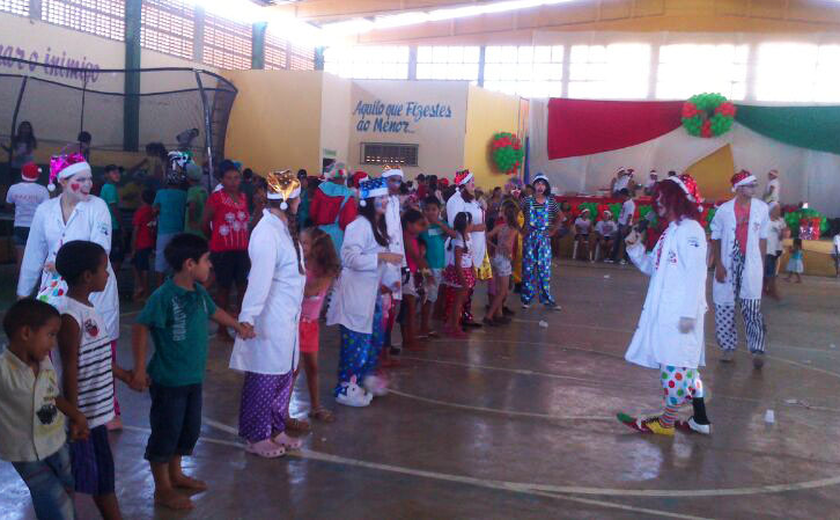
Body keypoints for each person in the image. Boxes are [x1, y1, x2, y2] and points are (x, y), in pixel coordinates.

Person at [129, 233, 253, 509]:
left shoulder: (198, 294)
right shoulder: (164, 296)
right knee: (166, 431)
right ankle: (162, 488)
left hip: (192, 378)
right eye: (206, 260)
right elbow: (140, 326)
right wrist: (138, 368)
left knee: (188, 430)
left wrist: (237, 326)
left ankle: (176, 474)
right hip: (168, 380)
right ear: (189, 264)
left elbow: (215, 311)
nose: (209, 266)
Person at [18, 154, 122, 427]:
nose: (88, 184)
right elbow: (34, 250)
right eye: (80, 180)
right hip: (53, 289)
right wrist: (23, 292)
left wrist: (64, 263)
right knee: (49, 352)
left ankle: (109, 410)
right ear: (63, 181)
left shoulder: (97, 207)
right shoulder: (45, 210)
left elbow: (101, 247)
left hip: (91, 286)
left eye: (89, 178)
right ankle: (52, 407)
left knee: (96, 349)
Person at [617, 174, 712, 436]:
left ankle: (666, 424)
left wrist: (687, 315)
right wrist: (635, 249)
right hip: (666, 312)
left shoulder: (691, 231)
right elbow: (653, 267)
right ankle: (700, 420)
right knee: (685, 368)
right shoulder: (672, 230)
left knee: (674, 365)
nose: (656, 202)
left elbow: (696, 276)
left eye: (662, 197)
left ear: (676, 199)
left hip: (680, 315)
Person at [229, 170, 306, 458]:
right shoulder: (266, 232)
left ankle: (275, 428)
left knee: (283, 374)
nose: (301, 201)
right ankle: (255, 435)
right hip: (269, 317)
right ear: (287, 201)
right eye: (298, 197)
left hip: (286, 317)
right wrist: (247, 319)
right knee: (264, 375)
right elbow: (259, 281)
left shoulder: (283, 228)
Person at [55, 240, 130, 519]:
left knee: (102, 476)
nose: (108, 275)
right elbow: (71, 366)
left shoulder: (89, 308)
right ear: (88, 276)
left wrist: (124, 375)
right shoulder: (70, 315)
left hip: (97, 415)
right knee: (77, 478)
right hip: (83, 416)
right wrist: (75, 415)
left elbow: (98, 356)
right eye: (104, 269)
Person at [0, 299, 88, 520]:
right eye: (51, 334)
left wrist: (76, 415)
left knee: (67, 488)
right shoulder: (3, 371)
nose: (54, 343)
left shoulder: (44, 363)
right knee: (50, 495)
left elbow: (53, 396)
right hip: (25, 453)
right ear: (26, 333)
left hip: (56, 442)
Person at [326, 177, 403, 406]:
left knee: (374, 339)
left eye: (386, 198)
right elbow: (349, 258)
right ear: (369, 202)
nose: (386, 202)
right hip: (356, 294)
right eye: (381, 198)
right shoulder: (358, 225)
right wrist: (381, 257)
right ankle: (346, 386)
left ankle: (364, 380)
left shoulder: (378, 226)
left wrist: (391, 280)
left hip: (372, 296)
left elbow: (383, 260)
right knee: (355, 341)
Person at [710, 170, 770, 368]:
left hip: (751, 264)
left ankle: (757, 349)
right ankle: (727, 346)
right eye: (750, 185)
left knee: (752, 308)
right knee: (724, 306)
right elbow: (716, 237)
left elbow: (763, 239)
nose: (754, 189)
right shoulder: (724, 210)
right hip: (728, 263)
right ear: (739, 188)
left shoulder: (762, 209)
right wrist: (718, 264)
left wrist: (761, 267)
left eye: (755, 185)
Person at [202, 160, 250, 341]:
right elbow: (204, 223)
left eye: (236, 178)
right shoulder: (216, 197)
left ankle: (240, 324)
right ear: (222, 180)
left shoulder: (244, 198)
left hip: (242, 250)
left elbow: (246, 224)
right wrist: (215, 240)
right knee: (223, 289)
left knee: (242, 287)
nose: (233, 181)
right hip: (222, 250)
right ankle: (222, 329)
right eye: (229, 178)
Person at [296, 227, 340, 424]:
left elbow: (310, 290)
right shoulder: (299, 265)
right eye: (300, 242)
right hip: (295, 323)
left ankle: (315, 407)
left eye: (305, 243)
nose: (301, 246)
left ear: (318, 247)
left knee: (313, 367)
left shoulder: (325, 272)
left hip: (310, 324)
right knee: (293, 370)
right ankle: (283, 413)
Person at [445, 169, 486, 326]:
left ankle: (464, 315)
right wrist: (478, 228)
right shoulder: (455, 201)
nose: (473, 184)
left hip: (472, 248)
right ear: (462, 185)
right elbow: (456, 225)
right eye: (470, 182)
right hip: (461, 250)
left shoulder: (471, 200)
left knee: (469, 285)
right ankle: (454, 319)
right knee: (459, 287)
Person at [520, 174, 562, 310]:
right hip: (529, 239)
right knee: (528, 269)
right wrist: (521, 231)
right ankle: (526, 299)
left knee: (544, 270)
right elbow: (516, 215)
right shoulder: (527, 201)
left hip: (544, 240)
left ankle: (546, 299)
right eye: (538, 184)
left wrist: (552, 231)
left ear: (546, 187)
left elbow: (561, 217)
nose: (540, 186)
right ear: (534, 186)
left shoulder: (551, 202)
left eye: (543, 184)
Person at [419, 196, 456, 337]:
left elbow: (453, 234)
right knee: (427, 297)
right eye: (427, 209)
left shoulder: (441, 224)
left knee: (432, 297)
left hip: (439, 266)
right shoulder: (421, 225)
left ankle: (426, 325)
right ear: (423, 210)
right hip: (427, 267)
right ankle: (423, 326)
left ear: (439, 210)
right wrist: (427, 224)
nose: (431, 212)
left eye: (434, 209)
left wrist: (439, 224)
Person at [5, 162, 49, 276]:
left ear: (22, 174)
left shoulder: (13, 188)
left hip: (19, 226)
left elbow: (8, 205)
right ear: (36, 176)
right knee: (38, 256)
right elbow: (47, 209)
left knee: (21, 257)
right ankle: (37, 284)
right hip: (36, 227)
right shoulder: (42, 190)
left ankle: (21, 284)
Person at [309, 162, 357, 256]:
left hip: (319, 233)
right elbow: (349, 222)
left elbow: (313, 212)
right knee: (334, 265)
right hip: (338, 237)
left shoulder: (321, 189)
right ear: (345, 177)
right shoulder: (348, 195)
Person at [152, 159, 187, 286]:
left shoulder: (161, 193)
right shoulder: (184, 195)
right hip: (179, 230)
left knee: (161, 259)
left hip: (164, 231)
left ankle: (159, 288)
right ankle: (175, 287)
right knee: (177, 259)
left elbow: (154, 210)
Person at [484, 201, 518, 326]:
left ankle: (499, 314)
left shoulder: (500, 226)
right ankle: (489, 316)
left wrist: (495, 246)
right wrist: (509, 254)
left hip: (496, 258)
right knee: (503, 291)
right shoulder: (513, 229)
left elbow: (487, 236)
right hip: (504, 259)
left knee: (499, 289)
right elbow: (508, 245)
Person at [442, 212, 475, 338]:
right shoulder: (459, 240)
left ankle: (451, 323)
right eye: (471, 222)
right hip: (460, 272)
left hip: (466, 271)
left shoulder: (468, 236)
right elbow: (457, 263)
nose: (473, 225)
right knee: (458, 302)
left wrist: (472, 270)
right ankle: (454, 327)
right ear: (466, 224)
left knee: (461, 300)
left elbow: (470, 256)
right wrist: (463, 280)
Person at [401, 209, 429, 351]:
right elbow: (415, 257)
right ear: (408, 225)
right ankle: (410, 339)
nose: (422, 227)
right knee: (411, 309)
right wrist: (427, 272)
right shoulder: (406, 238)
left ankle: (408, 338)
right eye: (419, 224)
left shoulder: (413, 237)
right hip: (406, 276)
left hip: (411, 275)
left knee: (410, 309)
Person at [100, 165, 125, 277]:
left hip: (108, 227)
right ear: (107, 175)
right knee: (117, 259)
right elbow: (114, 208)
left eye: (118, 172)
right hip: (113, 227)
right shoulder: (110, 188)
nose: (117, 175)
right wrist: (122, 225)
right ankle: (109, 283)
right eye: (114, 172)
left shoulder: (107, 187)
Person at [132, 189, 156, 301]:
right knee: (139, 265)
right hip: (149, 242)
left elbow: (136, 230)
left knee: (142, 267)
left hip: (141, 243)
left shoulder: (140, 212)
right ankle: (141, 288)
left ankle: (144, 290)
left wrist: (133, 245)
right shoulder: (152, 210)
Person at [764, 203, 785, 300]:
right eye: (777, 209)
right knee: (771, 273)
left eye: (779, 210)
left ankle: (765, 289)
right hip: (767, 250)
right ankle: (773, 292)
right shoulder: (766, 221)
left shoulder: (780, 221)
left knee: (768, 272)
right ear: (771, 210)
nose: (779, 211)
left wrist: (782, 232)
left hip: (775, 250)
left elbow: (781, 237)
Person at [611, 188, 636, 265]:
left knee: (625, 243)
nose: (620, 197)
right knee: (617, 241)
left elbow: (629, 215)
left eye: (620, 195)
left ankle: (624, 259)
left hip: (625, 225)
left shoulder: (630, 204)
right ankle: (613, 258)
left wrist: (626, 226)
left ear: (623, 195)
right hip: (621, 224)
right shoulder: (625, 203)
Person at [184, 163, 207, 238]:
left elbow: (192, 206)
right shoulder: (204, 190)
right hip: (202, 230)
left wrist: (191, 222)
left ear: (188, 178)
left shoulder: (192, 190)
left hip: (192, 232)